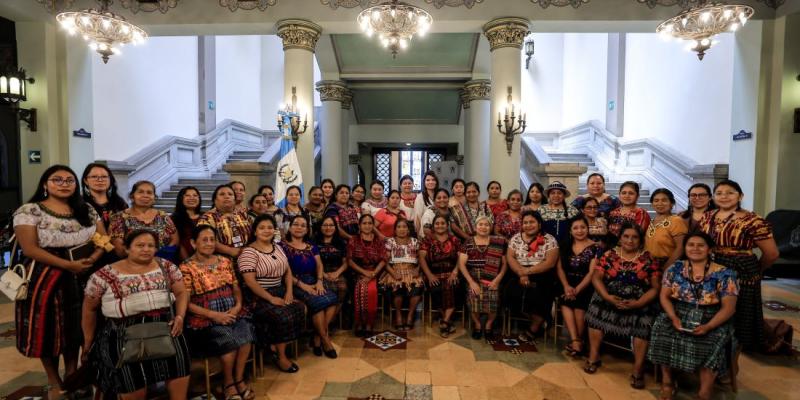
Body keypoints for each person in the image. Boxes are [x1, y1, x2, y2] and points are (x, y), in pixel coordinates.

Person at [13, 165, 108, 400]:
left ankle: (73, 374)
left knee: (77, 329)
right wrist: (68, 266)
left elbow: (103, 238)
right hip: (46, 277)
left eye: (69, 180)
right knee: (49, 331)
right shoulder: (30, 210)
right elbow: (30, 248)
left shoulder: (85, 208)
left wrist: (93, 258)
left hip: (84, 273)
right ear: (45, 184)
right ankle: (54, 381)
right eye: (57, 179)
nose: (64, 183)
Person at [82, 229, 190, 399]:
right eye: (140, 245)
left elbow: (182, 293)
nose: (146, 249)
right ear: (127, 248)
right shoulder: (104, 275)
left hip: (166, 327)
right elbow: (90, 309)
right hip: (123, 333)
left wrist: (180, 317)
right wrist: (88, 341)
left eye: (151, 246)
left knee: (179, 369)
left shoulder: (167, 266)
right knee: (132, 381)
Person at [647, 232, 739, 400]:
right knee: (661, 329)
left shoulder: (725, 274)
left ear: (709, 249)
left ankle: (705, 391)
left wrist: (709, 326)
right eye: (691, 245)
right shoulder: (675, 268)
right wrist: (673, 317)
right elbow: (664, 296)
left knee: (712, 341)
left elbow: (729, 309)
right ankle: (667, 382)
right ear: (685, 248)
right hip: (678, 311)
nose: (695, 248)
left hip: (712, 316)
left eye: (700, 245)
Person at [700, 179, 778, 353]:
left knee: (740, 312)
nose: (724, 196)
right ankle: (715, 348)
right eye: (719, 193)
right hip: (714, 265)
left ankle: (735, 354)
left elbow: (772, 254)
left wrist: (758, 270)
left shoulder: (753, 220)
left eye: (730, 193)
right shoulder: (708, 216)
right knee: (714, 307)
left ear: (740, 196)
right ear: (713, 197)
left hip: (742, 268)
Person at [180, 225, 256, 400]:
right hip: (205, 317)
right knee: (228, 339)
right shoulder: (186, 267)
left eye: (212, 239)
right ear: (193, 243)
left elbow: (235, 287)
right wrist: (215, 315)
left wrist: (237, 306)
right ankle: (228, 383)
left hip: (232, 310)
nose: (209, 243)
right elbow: (186, 302)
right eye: (204, 240)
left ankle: (239, 379)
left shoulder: (225, 261)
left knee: (246, 335)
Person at [583, 223, 661, 390]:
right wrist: (608, 297)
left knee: (644, 324)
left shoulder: (648, 258)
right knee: (595, 312)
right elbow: (596, 278)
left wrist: (639, 303)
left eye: (634, 237)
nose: (630, 240)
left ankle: (638, 369)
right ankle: (593, 357)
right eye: (626, 236)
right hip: (609, 296)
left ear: (640, 240)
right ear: (620, 238)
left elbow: (655, 287)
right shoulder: (609, 255)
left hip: (638, 300)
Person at [237, 215, 304, 373]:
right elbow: (250, 282)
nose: (266, 231)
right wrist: (271, 298)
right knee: (283, 316)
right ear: (254, 231)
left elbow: (287, 271)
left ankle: (274, 345)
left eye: (270, 227)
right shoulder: (248, 252)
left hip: (280, 289)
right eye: (262, 228)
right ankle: (280, 356)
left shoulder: (278, 246)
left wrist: (289, 292)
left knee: (301, 308)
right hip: (258, 295)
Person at [280, 215, 339, 358]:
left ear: (307, 229)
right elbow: (284, 272)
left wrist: (319, 281)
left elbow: (319, 265)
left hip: (313, 279)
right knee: (317, 304)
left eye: (303, 225)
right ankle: (325, 340)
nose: (299, 227)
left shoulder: (311, 246)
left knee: (333, 300)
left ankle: (317, 337)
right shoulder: (282, 246)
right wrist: (302, 285)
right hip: (293, 281)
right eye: (296, 224)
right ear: (290, 227)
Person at [505, 211, 559, 343]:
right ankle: (537, 321)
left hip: (541, 273)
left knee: (539, 295)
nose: (528, 225)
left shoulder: (549, 239)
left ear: (539, 224)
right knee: (509, 292)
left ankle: (534, 328)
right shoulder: (516, 238)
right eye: (525, 222)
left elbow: (550, 263)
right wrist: (521, 273)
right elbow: (510, 257)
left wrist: (527, 272)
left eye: (532, 222)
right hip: (518, 272)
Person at [557, 216, 603, 357]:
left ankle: (577, 341)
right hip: (567, 282)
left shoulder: (596, 247)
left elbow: (591, 272)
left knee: (579, 306)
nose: (579, 231)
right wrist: (566, 285)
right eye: (575, 228)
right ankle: (576, 340)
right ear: (570, 231)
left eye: (583, 227)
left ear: (587, 229)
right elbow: (559, 268)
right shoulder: (564, 244)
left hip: (586, 283)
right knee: (565, 302)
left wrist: (577, 289)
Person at [457, 215, 507, 341]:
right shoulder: (468, 242)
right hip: (473, 277)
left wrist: (497, 280)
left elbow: (505, 265)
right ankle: (478, 324)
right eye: (480, 224)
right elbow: (461, 264)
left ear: (490, 227)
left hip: (493, 277)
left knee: (494, 299)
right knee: (472, 297)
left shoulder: (498, 242)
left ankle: (489, 324)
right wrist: (471, 282)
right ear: (475, 226)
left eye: (486, 225)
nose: (483, 227)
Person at [109, 181, 179, 262]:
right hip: (131, 264)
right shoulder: (119, 217)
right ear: (132, 196)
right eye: (140, 192)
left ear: (154, 198)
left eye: (149, 193)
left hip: (161, 263)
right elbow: (119, 250)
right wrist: (143, 258)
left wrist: (163, 255)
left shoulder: (163, 216)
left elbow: (175, 240)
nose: (145, 195)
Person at [419, 214, 461, 338]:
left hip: (451, 273)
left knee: (455, 287)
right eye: (437, 223)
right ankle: (447, 320)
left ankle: (444, 322)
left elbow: (461, 258)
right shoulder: (428, 240)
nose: (440, 225)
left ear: (447, 225)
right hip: (434, 273)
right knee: (436, 289)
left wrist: (455, 272)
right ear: (433, 226)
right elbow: (421, 258)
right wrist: (429, 275)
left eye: (442, 223)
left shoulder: (454, 240)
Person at [380, 219, 423, 331]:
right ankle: (398, 315)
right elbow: (384, 262)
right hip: (395, 270)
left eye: (404, 227)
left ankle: (410, 315)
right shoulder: (390, 242)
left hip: (412, 270)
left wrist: (418, 269)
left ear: (408, 230)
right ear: (395, 230)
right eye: (399, 227)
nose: (402, 229)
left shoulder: (415, 242)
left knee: (417, 287)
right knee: (396, 287)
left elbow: (421, 259)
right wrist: (393, 273)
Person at [347, 215, 387, 336]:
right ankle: (359, 322)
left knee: (371, 291)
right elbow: (349, 260)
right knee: (360, 289)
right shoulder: (353, 240)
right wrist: (364, 273)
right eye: (364, 223)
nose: (367, 226)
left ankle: (369, 323)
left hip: (375, 273)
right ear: (359, 226)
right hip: (357, 273)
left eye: (370, 223)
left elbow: (384, 259)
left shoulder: (378, 241)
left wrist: (373, 274)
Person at [198, 184, 252, 258]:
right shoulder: (207, 218)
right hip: (221, 261)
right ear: (215, 200)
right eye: (222, 194)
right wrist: (230, 251)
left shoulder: (243, 215)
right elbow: (204, 241)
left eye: (230, 194)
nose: (227, 197)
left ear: (234, 199)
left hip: (247, 257)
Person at [315, 216, 349, 325]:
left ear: (335, 227)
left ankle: (328, 322)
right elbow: (313, 262)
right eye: (325, 225)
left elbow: (346, 262)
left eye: (331, 225)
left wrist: (337, 273)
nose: (328, 227)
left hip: (337, 271)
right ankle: (322, 325)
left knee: (342, 288)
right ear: (320, 227)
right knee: (325, 290)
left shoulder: (341, 242)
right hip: (319, 271)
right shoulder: (313, 241)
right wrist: (324, 275)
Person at [646, 188, 688, 270]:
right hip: (651, 266)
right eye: (656, 200)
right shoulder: (651, 222)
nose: (660, 203)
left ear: (672, 203)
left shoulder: (676, 220)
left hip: (668, 266)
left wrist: (666, 268)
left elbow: (681, 248)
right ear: (652, 204)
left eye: (664, 200)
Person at [81, 162, 128, 231]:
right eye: (94, 177)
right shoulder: (80, 203)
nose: (100, 180)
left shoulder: (120, 203)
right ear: (86, 181)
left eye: (104, 176)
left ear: (110, 180)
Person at [173, 186, 203, 262]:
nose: (192, 198)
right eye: (187, 195)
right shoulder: (173, 219)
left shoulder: (206, 217)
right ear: (181, 199)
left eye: (195, 195)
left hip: (204, 259)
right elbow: (177, 243)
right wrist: (188, 262)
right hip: (182, 261)